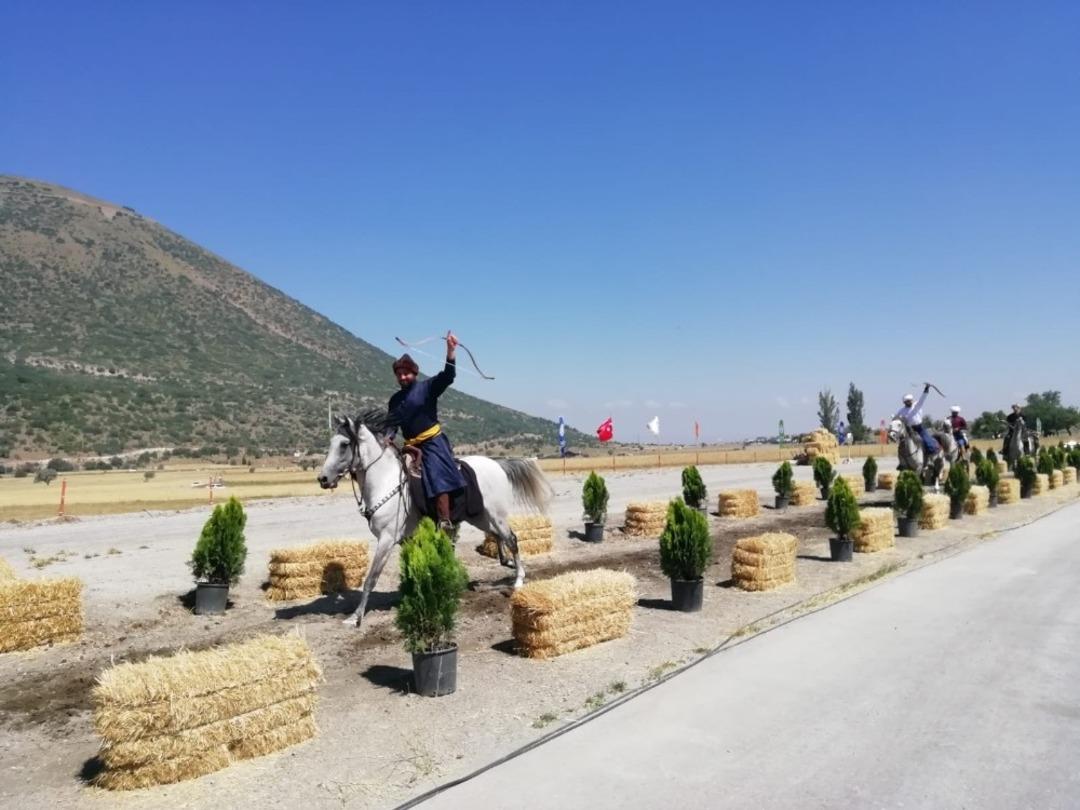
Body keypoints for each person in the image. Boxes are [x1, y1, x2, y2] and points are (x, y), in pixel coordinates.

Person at [387, 332, 466, 534]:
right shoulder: (394, 400)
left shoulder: (428, 387)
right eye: (399, 374)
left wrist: (450, 351)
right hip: (410, 446)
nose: (402, 377)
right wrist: (387, 438)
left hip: (432, 442)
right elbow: (391, 426)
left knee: (437, 474)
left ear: (414, 373)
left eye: (406, 373)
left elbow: (448, 376)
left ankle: (444, 520)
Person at [893, 384, 939, 457]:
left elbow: (922, 398)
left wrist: (926, 389)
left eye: (910, 400)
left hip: (919, 428)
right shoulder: (901, 410)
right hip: (909, 429)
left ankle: (932, 453)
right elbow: (896, 418)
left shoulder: (917, 405)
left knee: (927, 441)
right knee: (902, 442)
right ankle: (902, 458)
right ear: (904, 402)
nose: (909, 402)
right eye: (907, 401)